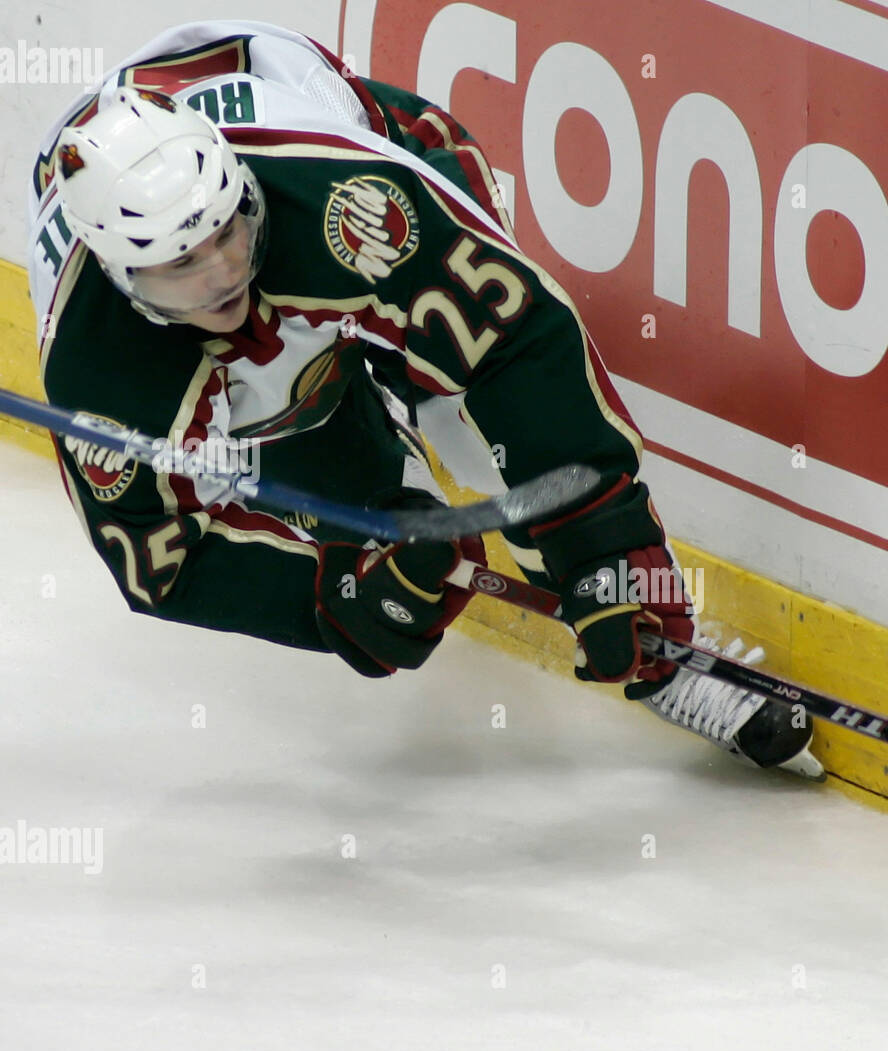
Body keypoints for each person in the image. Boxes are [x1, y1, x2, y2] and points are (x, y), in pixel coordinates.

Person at [26, 19, 821, 779]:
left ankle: (669, 651)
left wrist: (603, 547)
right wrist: (334, 593)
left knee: (484, 432)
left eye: (226, 234)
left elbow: (514, 345)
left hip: (379, 175)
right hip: (247, 351)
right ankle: (388, 493)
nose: (223, 273)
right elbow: (160, 559)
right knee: (355, 485)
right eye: (181, 267)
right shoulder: (99, 368)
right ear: (124, 278)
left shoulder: (348, 203)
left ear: (239, 195)